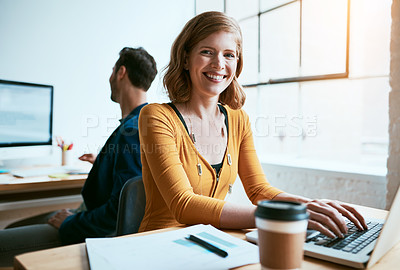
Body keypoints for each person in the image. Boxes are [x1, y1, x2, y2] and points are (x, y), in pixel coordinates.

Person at [138, 11, 367, 239]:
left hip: (209, 242)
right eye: (207, 52)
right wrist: (280, 215)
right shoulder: (156, 116)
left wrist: (309, 206)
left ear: (237, 63)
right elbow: (183, 204)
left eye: (229, 55)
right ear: (186, 58)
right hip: (159, 243)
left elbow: (259, 190)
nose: (219, 63)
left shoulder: (238, 119)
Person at [0, 47, 157, 266]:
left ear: (121, 72)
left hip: (94, 232)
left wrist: (70, 223)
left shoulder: (132, 131)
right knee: (12, 227)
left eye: (112, 71)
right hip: (85, 216)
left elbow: (121, 212)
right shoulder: (141, 123)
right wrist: (103, 162)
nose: (110, 78)